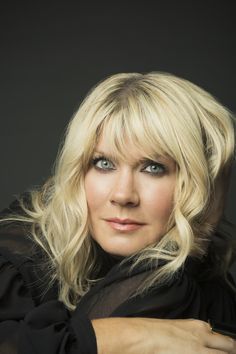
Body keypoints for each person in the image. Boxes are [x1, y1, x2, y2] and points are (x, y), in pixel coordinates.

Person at [0, 71, 236, 354]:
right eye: (103, 163)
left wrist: (196, 237)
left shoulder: (205, 292)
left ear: (197, 182)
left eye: (153, 167)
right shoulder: (21, 254)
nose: (123, 195)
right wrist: (125, 337)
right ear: (79, 171)